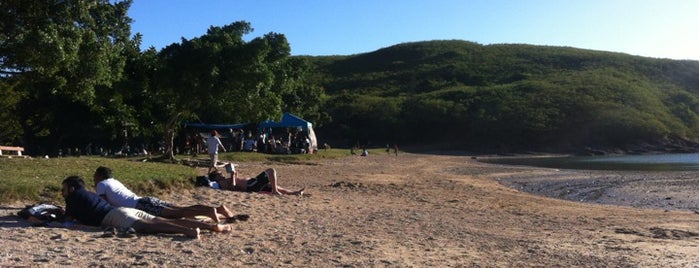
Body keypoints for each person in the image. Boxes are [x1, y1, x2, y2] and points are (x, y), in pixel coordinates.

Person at [61, 176, 231, 239]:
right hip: (124, 209)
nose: (63, 193)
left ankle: (189, 231)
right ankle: (212, 226)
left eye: (64, 189)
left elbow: (67, 220)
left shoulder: (73, 197)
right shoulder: (88, 194)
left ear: (72, 188)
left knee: (151, 227)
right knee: (166, 218)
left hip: (115, 216)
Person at [93, 166, 234, 223]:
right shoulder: (114, 181)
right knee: (180, 209)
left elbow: (105, 203)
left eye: (94, 176)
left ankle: (210, 211)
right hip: (145, 200)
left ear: (99, 175)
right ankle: (216, 210)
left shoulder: (101, 184)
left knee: (178, 213)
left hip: (141, 205)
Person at [208, 163, 304, 196]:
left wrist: (235, 175)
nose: (221, 174)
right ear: (216, 178)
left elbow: (236, 184)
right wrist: (233, 175)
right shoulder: (221, 182)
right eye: (219, 174)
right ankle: (275, 191)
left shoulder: (224, 180)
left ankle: (294, 193)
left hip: (252, 184)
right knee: (271, 171)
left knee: (273, 186)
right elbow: (233, 187)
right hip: (251, 185)